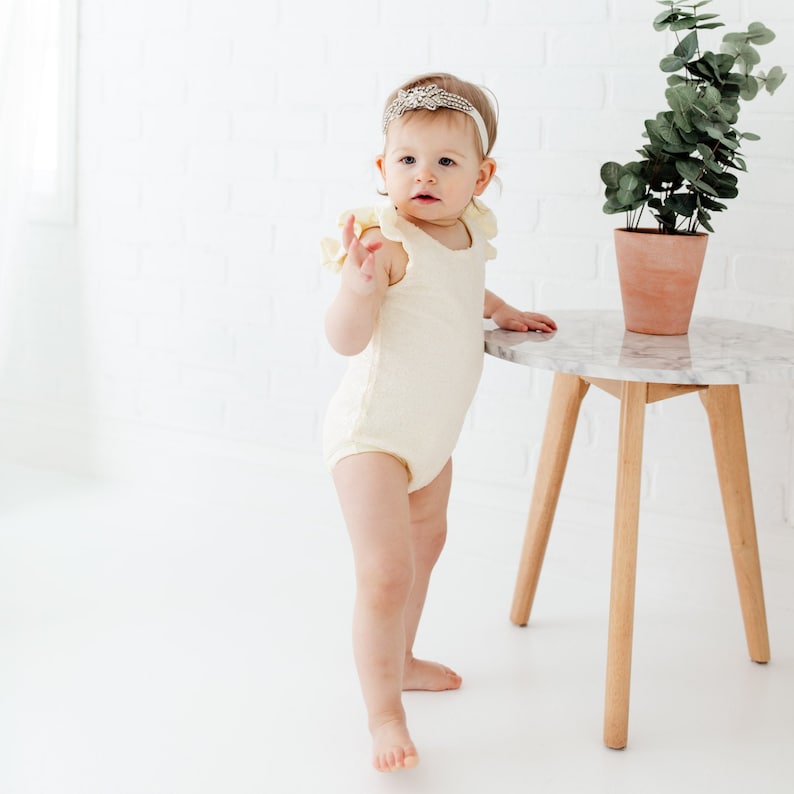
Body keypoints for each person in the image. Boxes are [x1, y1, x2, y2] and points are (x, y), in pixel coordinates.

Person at [321, 72, 556, 773]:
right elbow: (345, 339)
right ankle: (383, 712)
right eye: (408, 159)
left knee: (428, 547)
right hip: (374, 439)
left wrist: (503, 311)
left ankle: (406, 655)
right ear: (382, 168)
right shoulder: (385, 242)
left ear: (480, 178)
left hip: (431, 441)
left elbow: (462, 283)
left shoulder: (463, 236)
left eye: (446, 162)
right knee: (386, 571)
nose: (424, 175)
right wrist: (356, 291)